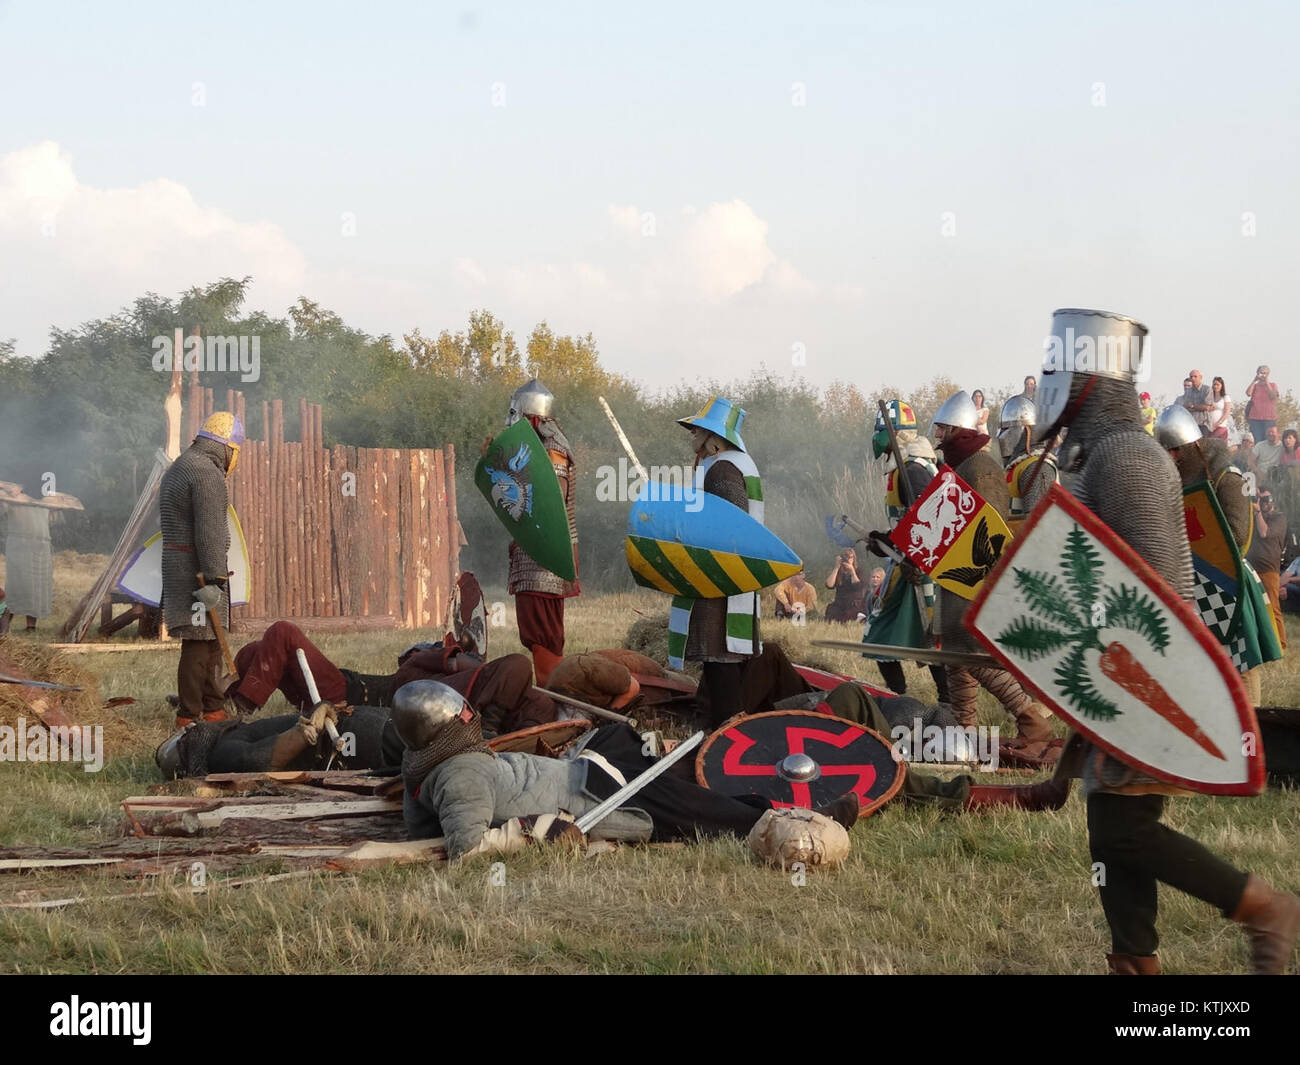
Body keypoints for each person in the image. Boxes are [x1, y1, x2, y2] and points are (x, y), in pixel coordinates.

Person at [1037, 306, 1298, 975]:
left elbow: (1156, 589)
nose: (1052, 378)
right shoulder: (1105, 455)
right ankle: (1135, 966)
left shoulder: (1126, 456)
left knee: (1125, 828)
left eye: (1064, 364)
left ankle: (1264, 907)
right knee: (1110, 827)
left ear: (1090, 379)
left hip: (1144, 670)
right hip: (1116, 667)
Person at [393, 680, 860, 858]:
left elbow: (427, 828)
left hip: (585, 773)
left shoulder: (431, 765)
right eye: (463, 716)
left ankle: (779, 808)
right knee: (690, 808)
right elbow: (468, 849)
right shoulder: (459, 775)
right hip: (591, 798)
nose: (472, 718)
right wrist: (540, 831)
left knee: (666, 775)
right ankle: (793, 820)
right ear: (445, 731)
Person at [930, 390, 1055, 759]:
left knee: (970, 651)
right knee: (953, 652)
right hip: (954, 574)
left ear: (959, 430)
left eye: (943, 429)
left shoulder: (980, 468)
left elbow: (989, 527)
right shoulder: (958, 468)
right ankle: (964, 730)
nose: (938, 437)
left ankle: (1031, 718)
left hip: (973, 574)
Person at [216, 619, 557, 736]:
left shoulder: (453, 676)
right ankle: (223, 701)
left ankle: (241, 705)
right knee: (255, 650)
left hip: (347, 698)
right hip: (345, 687)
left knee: (283, 632)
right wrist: (445, 653)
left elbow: (500, 669)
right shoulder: (418, 666)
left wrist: (458, 653)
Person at [1156, 404, 1279, 702]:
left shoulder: (1227, 476)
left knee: (1241, 662)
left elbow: (1236, 537)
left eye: (1176, 450)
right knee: (1206, 665)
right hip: (1194, 584)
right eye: (1166, 451)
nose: (1171, 457)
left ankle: (1253, 726)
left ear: (1192, 446)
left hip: (1229, 580)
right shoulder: (1176, 484)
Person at [668, 397, 765, 728]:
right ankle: (712, 726)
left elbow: (731, 524)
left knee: (720, 656)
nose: (691, 432)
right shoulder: (730, 463)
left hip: (720, 578)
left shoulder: (724, 468)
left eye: (697, 427)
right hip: (726, 575)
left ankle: (728, 731)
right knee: (718, 660)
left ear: (713, 434)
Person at [158, 411, 243, 727]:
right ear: (226, 446)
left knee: (209, 641)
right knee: (198, 643)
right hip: (197, 570)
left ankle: (213, 708)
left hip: (183, 565)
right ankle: (189, 714)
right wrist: (214, 577)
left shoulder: (182, 465)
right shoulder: (206, 473)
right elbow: (210, 531)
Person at [862, 400, 950, 701]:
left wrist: (910, 554)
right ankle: (898, 699)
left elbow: (931, 521)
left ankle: (948, 704)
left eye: (881, 431)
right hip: (906, 564)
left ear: (895, 434)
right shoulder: (905, 466)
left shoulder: (913, 469)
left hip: (922, 569)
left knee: (931, 642)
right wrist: (884, 540)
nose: (877, 438)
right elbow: (907, 524)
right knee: (880, 634)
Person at [501, 379, 579, 687]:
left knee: (544, 640)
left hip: (544, 558)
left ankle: (554, 705)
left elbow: (551, 501)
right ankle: (550, 700)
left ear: (528, 414)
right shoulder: (538, 444)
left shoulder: (551, 446)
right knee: (537, 639)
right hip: (533, 556)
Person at [998, 394, 1058, 520]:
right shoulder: (1018, 466)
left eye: (1006, 429)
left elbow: (1041, 525)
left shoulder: (1037, 467)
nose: (1001, 436)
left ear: (1025, 430)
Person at [0, 493, 53, 633]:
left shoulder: (44, 496)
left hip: (41, 543)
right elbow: (3, 511)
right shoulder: (12, 495)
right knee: (16, 585)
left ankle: (31, 627)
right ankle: (4, 623)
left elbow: (53, 519)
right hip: (19, 544)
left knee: (36, 586)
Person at [1247, 490, 1289, 653]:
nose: (1264, 502)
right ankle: (1262, 642)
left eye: (1267, 499)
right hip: (1252, 568)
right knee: (1255, 607)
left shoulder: (1279, 518)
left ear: (1274, 501)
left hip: (1269, 570)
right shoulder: (1257, 516)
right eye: (1261, 499)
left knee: (1273, 607)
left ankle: (1281, 644)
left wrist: (1257, 511)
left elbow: (1264, 532)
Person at [824, 548, 867, 622]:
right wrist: (836, 568)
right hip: (839, 603)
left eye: (850, 557)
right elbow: (829, 585)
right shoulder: (839, 572)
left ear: (854, 559)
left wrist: (852, 571)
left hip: (853, 604)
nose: (848, 559)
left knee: (848, 617)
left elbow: (858, 586)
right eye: (846, 557)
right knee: (831, 614)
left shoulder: (860, 571)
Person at [1244, 365, 1280, 443]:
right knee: (1257, 441)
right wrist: (1254, 380)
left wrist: (1267, 382)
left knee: (1269, 441)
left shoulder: (1273, 385)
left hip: (1269, 418)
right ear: (1257, 373)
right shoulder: (1255, 386)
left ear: (1268, 374)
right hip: (1255, 418)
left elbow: (1273, 397)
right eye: (1261, 373)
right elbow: (1248, 393)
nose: (1263, 375)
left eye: (1265, 373)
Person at [1181, 369, 1213, 434]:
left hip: (1204, 424)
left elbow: (1207, 407)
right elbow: (1185, 407)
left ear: (1200, 377)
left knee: (1202, 443)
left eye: (1195, 376)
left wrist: (1192, 405)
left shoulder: (1207, 389)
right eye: (1191, 376)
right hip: (1191, 424)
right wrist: (1200, 407)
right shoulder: (1188, 391)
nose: (1193, 378)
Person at [1208, 376, 1232, 441]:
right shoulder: (1209, 397)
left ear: (1222, 386)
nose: (1215, 386)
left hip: (1221, 427)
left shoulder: (1225, 397)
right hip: (1209, 427)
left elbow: (1227, 413)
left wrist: (1217, 424)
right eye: (1214, 384)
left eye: (1217, 384)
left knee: (1220, 448)